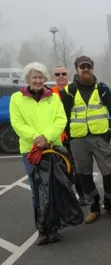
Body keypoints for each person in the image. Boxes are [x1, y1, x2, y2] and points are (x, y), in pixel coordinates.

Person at [9, 62, 67, 244]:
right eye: (34, 77)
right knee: (37, 190)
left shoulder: (53, 97)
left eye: (40, 77)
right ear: (28, 79)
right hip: (31, 150)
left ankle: (55, 228)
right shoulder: (17, 98)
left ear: (44, 79)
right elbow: (17, 123)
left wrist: (47, 137)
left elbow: (61, 119)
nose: (37, 80)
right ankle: (43, 229)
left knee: (54, 188)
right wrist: (36, 137)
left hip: (52, 148)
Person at [61, 55, 111, 223]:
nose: (85, 69)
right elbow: (63, 116)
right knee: (84, 174)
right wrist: (70, 135)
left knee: (108, 173)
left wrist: (107, 133)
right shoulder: (69, 90)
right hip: (78, 139)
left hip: (100, 138)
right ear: (77, 69)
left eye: (88, 66)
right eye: (82, 67)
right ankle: (93, 207)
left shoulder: (102, 88)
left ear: (92, 68)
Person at [51, 66, 87, 207]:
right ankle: (66, 197)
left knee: (78, 167)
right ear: (53, 76)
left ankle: (82, 195)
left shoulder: (75, 90)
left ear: (68, 75)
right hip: (58, 138)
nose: (61, 76)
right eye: (57, 74)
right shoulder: (50, 94)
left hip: (75, 135)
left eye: (63, 74)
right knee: (61, 169)